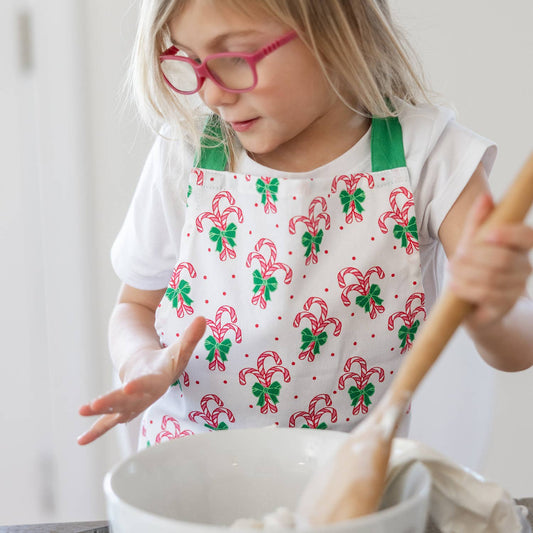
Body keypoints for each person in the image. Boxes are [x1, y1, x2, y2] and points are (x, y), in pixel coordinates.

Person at [78, 0, 533, 448]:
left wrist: (492, 310)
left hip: (341, 493)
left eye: (234, 57)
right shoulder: (187, 155)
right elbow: (133, 307)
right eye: (190, 60)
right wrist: (140, 361)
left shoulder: (431, 156)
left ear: (341, 30)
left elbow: (518, 349)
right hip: (191, 478)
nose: (212, 93)